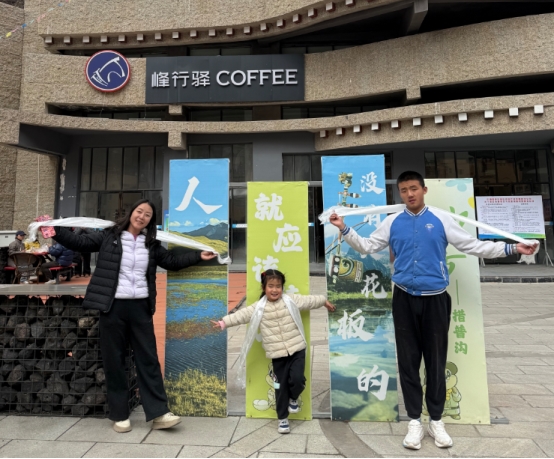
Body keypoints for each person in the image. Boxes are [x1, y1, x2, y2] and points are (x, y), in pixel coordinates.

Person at [329, 171, 537, 450]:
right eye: (404, 190)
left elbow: (473, 245)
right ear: (400, 193)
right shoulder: (392, 222)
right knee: (408, 362)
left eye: (414, 188)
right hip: (404, 298)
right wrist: (344, 228)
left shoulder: (441, 219)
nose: (409, 194)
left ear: (424, 190)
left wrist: (512, 248)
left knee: (436, 362)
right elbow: (367, 247)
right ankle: (415, 420)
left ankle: (436, 420)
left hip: (436, 299)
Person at [45, 199, 218, 433]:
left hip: (140, 307)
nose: (142, 217)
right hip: (112, 306)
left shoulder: (151, 243)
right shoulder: (109, 236)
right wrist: (54, 230)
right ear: (131, 213)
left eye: (147, 215)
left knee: (148, 359)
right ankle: (120, 415)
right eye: (139, 211)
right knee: (114, 361)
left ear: (151, 220)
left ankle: (159, 412)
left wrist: (198, 256)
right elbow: (79, 242)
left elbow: (172, 262)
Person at [212, 269, 336, 434]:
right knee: (280, 387)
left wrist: (324, 301)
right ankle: (282, 419)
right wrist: (223, 323)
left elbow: (309, 300)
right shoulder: (259, 307)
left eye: (278, 286)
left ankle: (294, 398)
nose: (275, 289)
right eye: (271, 286)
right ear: (264, 288)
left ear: (282, 287)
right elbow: (241, 315)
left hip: (297, 349)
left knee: (298, 379)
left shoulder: (290, 300)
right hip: (277, 355)